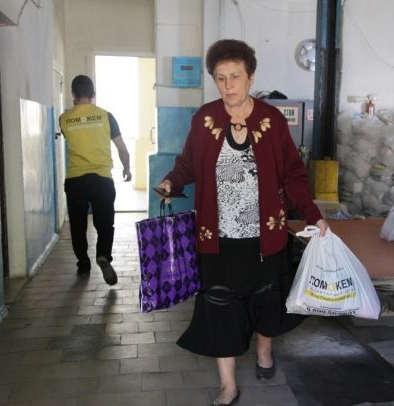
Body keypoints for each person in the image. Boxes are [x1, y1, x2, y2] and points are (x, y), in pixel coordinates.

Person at [157, 39, 329, 406]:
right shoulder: (205, 119)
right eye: (220, 78)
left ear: (250, 77)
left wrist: (313, 215)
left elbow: (293, 174)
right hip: (217, 238)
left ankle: (264, 351)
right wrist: (172, 181)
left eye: (235, 76)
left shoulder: (272, 120)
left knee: (266, 300)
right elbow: (187, 163)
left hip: (265, 236)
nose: (228, 85)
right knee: (221, 307)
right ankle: (228, 385)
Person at [59, 74, 131, 286]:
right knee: (105, 223)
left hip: (75, 181)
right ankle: (103, 255)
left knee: (78, 226)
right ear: (93, 94)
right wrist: (127, 169)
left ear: (73, 94)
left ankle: (83, 264)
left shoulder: (64, 119)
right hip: (102, 179)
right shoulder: (106, 116)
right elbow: (122, 149)